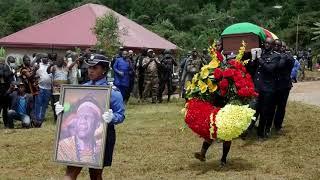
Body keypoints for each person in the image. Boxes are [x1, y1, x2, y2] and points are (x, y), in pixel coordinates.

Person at [55, 54, 125, 180]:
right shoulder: (82, 88)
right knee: (70, 173)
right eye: (89, 67)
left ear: (104, 70)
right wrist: (62, 110)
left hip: (103, 136)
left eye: (95, 68)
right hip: (78, 136)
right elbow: (71, 109)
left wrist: (112, 117)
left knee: (96, 175)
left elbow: (121, 115)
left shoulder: (112, 91)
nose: (91, 70)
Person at [57, 97, 103, 164]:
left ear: (97, 124)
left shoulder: (101, 146)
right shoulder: (63, 146)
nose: (82, 121)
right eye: (80, 116)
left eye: (88, 117)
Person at [255, 38, 281, 139]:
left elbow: (270, 68)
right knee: (256, 108)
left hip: (268, 88)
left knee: (265, 111)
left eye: (269, 43)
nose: (266, 45)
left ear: (272, 45)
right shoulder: (261, 53)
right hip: (259, 86)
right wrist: (254, 59)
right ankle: (252, 129)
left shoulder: (276, 56)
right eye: (265, 43)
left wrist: (259, 59)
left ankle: (262, 132)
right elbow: (256, 68)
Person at [273, 41, 294, 134]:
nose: (281, 48)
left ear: (285, 48)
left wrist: (283, 56)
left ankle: (278, 126)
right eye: (278, 46)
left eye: (282, 46)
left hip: (284, 86)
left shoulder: (288, 57)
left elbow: (288, 63)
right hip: (274, 85)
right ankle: (268, 125)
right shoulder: (275, 55)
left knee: (281, 107)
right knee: (271, 106)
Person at [47, 56, 69, 122]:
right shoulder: (54, 68)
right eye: (58, 61)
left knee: (64, 103)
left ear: (63, 62)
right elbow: (48, 71)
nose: (59, 62)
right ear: (56, 61)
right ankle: (56, 118)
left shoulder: (66, 68)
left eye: (61, 61)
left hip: (64, 89)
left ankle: (64, 117)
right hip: (56, 89)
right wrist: (50, 65)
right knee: (57, 103)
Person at [34, 54, 52, 127]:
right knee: (38, 103)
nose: (45, 58)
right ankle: (37, 119)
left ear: (48, 59)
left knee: (44, 104)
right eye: (43, 57)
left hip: (48, 88)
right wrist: (36, 57)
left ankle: (41, 118)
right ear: (41, 58)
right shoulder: (38, 65)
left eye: (46, 57)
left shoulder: (50, 65)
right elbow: (34, 72)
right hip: (40, 87)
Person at [0, 54, 14, 128]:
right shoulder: (5, 68)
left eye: (2, 63)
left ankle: (6, 124)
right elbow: (3, 74)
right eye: (1, 63)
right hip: (2, 90)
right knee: (3, 108)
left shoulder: (6, 68)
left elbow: (7, 77)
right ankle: (6, 124)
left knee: (5, 109)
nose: (2, 64)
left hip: (5, 90)